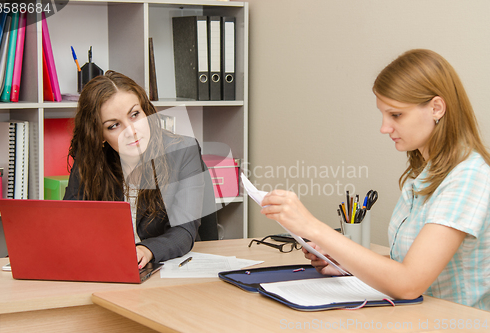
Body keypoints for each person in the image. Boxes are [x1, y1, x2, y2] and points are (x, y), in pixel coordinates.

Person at [260, 49, 490, 310]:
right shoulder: (426, 173)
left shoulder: (469, 176)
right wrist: (345, 262)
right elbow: (405, 264)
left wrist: (313, 227)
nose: (384, 127)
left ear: (436, 108)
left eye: (396, 115)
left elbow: (410, 282)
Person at [64, 70, 212, 269]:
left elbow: (184, 232)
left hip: (164, 266)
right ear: (98, 135)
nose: (131, 131)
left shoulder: (182, 152)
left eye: (135, 115)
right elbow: (70, 222)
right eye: (113, 125)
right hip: (107, 265)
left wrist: (145, 250)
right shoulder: (90, 159)